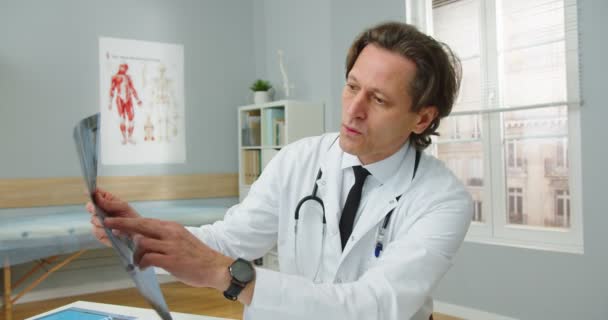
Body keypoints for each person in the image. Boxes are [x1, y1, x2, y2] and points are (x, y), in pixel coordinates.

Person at [88, 21, 471, 320]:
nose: (354, 109)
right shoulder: (297, 159)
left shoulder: (442, 199)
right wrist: (145, 235)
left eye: (379, 99)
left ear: (422, 118)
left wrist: (232, 277)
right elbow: (232, 239)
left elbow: (372, 307)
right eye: (352, 86)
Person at [108, 63, 143, 145]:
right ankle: (124, 138)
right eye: (122, 67)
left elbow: (132, 88)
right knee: (122, 118)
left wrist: (138, 100)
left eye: (125, 67)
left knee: (131, 118)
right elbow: (112, 90)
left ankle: (130, 137)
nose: (123, 69)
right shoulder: (115, 77)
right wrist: (110, 102)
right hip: (120, 99)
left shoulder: (128, 77)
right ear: (119, 67)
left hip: (128, 99)